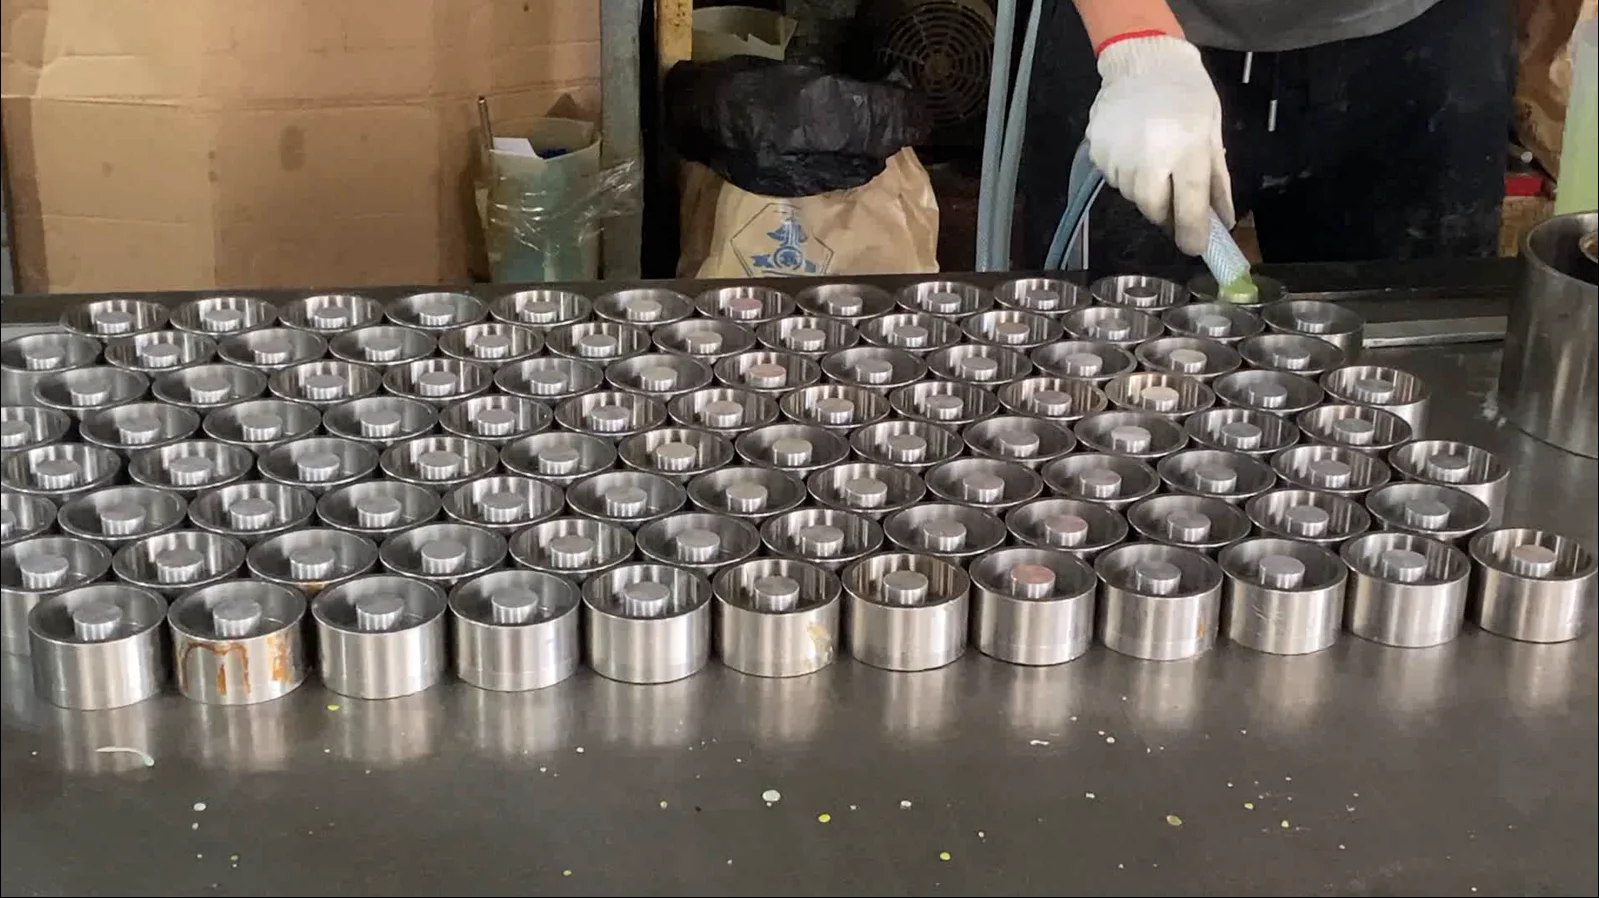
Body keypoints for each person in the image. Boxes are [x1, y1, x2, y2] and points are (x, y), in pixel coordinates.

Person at [1020, 0, 1514, 268]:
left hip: (1423, 32)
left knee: (1421, 358)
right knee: (1093, 362)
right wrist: (1134, 43)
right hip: (1150, 47)